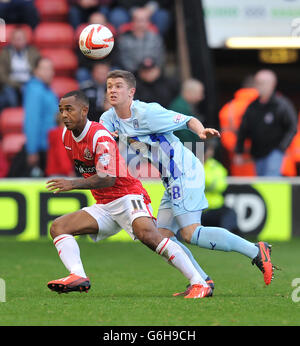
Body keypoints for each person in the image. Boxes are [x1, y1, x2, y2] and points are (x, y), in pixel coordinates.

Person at [100, 70, 275, 296]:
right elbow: (98, 139)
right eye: (109, 86)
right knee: (161, 238)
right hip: (170, 178)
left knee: (191, 234)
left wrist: (201, 131)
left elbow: (187, 120)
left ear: (131, 92)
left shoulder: (148, 112)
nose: (112, 90)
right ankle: (201, 280)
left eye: (118, 86)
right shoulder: (108, 119)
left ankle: (256, 251)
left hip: (184, 172)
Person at [46, 90, 213, 299]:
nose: (63, 115)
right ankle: (78, 276)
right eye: (61, 110)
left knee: (151, 237)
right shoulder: (65, 136)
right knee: (59, 227)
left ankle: (199, 283)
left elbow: (108, 178)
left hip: (128, 196)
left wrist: (72, 184)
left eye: (69, 109)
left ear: (84, 110)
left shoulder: (99, 136)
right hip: (105, 204)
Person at [235, 69, 298, 176]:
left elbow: (292, 127)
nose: (259, 86)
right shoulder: (253, 106)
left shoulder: (281, 105)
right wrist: (239, 151)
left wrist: (281, 147)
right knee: (261, 183)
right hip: (257, 153)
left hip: (274, 152)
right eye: (257, 83)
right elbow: (243, 130)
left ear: (272, 84)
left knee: (271, 181)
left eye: (262, 83)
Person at [23, 57, 58, 176]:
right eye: (45, 69)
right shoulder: (35, 90)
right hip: (41, 148)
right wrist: (32, 150)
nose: (50, 72)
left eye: (51, 69)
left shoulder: (46, 89)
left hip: (49, 146)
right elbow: (32, 121)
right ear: (36, 71)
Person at [218, 75, 258, 176]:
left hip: (238, 164)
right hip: (263, 164)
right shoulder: (265, 107)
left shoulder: (228, 108)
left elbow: (226, 139)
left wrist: (240, 149)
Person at [202, 141, 238, 234]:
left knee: (229, 213)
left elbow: (221, 186)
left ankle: (228, 235)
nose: (209, 152)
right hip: (197, 210)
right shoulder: (193, 164)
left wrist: (203, 183)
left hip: (214, 208)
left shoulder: (216, 166)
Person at [116, 7, 165, 73]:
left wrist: (153, 67)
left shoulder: (156, 38)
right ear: (132, 22)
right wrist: (140, 69)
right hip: (132, 74)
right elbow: (123, 60)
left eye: (143, 20)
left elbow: (160, 58)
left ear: (148, 22)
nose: (140, 24)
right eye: (138, 20)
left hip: (152, 73)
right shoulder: (124, 40)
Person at [0, 27, 41, 106]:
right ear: (11, 40)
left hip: (29, 84)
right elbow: (2, 75)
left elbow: (39, 70)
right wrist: (18, 86)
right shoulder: (4, 53)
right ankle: (13, 115)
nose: (18, 41)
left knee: (35, 91)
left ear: (25, 40)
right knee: (9, 95)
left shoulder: (33, 52)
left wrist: (29, 84)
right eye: (16, 39)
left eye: (20, 38)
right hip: (11, 84)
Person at [169, 78, 205, 156]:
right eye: (199, 93)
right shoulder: (180, 108)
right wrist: (199, 153)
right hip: (186, 151)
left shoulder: (185, 106)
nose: (201, 97)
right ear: (189, 92)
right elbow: (185, 135)